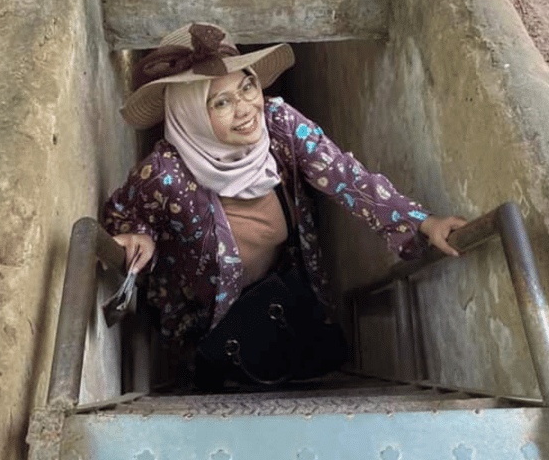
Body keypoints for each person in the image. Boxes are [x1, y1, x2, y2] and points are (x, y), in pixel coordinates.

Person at [102, 22, 466, 377]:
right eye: (221, 102)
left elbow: (344, 176)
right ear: (190, 114)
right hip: (203, 313)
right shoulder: (165, 174)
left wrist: (423, 221)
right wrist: (138, 235)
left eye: (247, 87)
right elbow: (124, 213)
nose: (245, 109)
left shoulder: (279, 125)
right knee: (215, 375)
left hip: (276, 281)